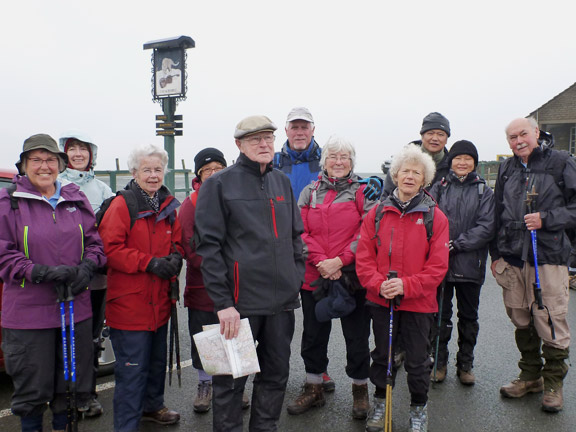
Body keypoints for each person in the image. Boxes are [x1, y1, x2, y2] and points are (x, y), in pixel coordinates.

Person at [195, 115, 305, 431]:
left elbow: (296, 237)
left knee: (275, 377)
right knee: (230, 384)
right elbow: (209, 249)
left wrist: (294, 277)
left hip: (281, 304)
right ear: (239, 145)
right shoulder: (218, 184)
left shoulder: (281, 181)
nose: (264, 144)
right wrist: (223, 303)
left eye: (268, 137)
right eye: (255, 139)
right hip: (239, 307)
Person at [0, 134, 106, 432]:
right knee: (32, 392)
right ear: (24, 165)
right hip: (28, 315)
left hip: (75, 310)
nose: (43, 166)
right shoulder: (9, 202)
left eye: (50, 160)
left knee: (69, 389)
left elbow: (95, 243)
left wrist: (88, 266)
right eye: (35, 160)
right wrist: (38, 272)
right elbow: (3, 253)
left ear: (60, 164)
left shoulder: (75, 197)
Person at [356, 144, 449, 432]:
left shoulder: (436, 217)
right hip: (382, 300)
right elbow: (363, 258)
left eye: (416, 172)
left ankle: (418, 408)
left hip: (418, 303)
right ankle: (381, 403)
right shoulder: (377, 214)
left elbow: (437, 267)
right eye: (405, 171)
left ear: (425, 179)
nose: (410, 176)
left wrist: (406, 285)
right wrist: (379, 284)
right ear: (395, 176)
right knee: (382, 356)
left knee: (418, 362)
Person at [286, 136, 376, 419]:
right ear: (324, 161)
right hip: (315, 275)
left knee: (357, 336)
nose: (338, 162)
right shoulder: (309, 192)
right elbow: (299, 231)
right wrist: (322, 262)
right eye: (333, 156)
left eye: (345, 157)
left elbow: (368, 231)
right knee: (313, 334)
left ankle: (360, 390)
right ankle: (314, 386)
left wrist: (340, 260)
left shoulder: (363, 191)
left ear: (352, 162)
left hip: (352, 277)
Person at [491, 117, 576, 413]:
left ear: (537, 133)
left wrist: (547, 219)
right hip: (513, 256)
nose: (518, 141)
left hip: (549, 255)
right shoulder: (506, 167)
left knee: (550, 317)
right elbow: (496, 211)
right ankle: (530, 376)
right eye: (512, 137)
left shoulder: (562, 162)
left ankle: (553, 382)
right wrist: (495, 254)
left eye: (523, 134)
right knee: (521, 316)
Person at [98, 143, 184, 431]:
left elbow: (178, 241)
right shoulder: (123, 204)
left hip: (160, 301)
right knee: (132, 371)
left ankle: (152, 406)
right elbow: (109, 249)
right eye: (146, 169)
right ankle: (126, 425)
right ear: (134, 172)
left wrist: (176, 257)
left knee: (157, 362)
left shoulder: (168, 204)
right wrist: (149, 263)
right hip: (130, 304)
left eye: (158, 169)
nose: (152, 175)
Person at [179, 148, 250, 413]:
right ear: (199, 175)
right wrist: (216, 266)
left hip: (236, 282)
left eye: (218, 168)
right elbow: (189, 244)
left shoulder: (236, 197)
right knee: (205, 337)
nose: (213, 173)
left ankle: (236, 386)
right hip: (203, 284)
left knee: (234, 335)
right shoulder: (191, 203)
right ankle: (205, 384)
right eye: (207, 170)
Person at [428, 140, 495, 385]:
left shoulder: (484, 192)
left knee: (468, 317)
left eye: (468, 159)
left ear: (475, 163)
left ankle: (465, 364)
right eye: (458, 158)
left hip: (470, 265)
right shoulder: (439, 187)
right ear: (451, 161)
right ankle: (439, 361)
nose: (463, 162)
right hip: (441, 265)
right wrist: (439, 245)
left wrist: (456, 244)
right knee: (439, 316)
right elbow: (428, 217)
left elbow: (486, 227)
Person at [59, 132, 114, 417]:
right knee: (64, 337)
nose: (78, 154)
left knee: (91, 338)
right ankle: (64, 394)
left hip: (95, 277)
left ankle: (87, 393)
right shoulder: (55, 184)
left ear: (91, 155)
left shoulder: (103, 189)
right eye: (73, 149)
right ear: (64, 153)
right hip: (63, 277)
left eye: (83, 149)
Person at [382, 112, 451, 197]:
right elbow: (386, 197)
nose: (435, 138)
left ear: (446, 139)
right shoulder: (402, 161)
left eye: (440, 134)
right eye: (430, 133)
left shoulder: (452, 167)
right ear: (422, 136)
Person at [273, 107, 322, 200]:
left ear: (313, 130)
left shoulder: (327, 160)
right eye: (294, 128)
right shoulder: (272, 162)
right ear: (286, 131)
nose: (299, 133)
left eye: (304, 128)